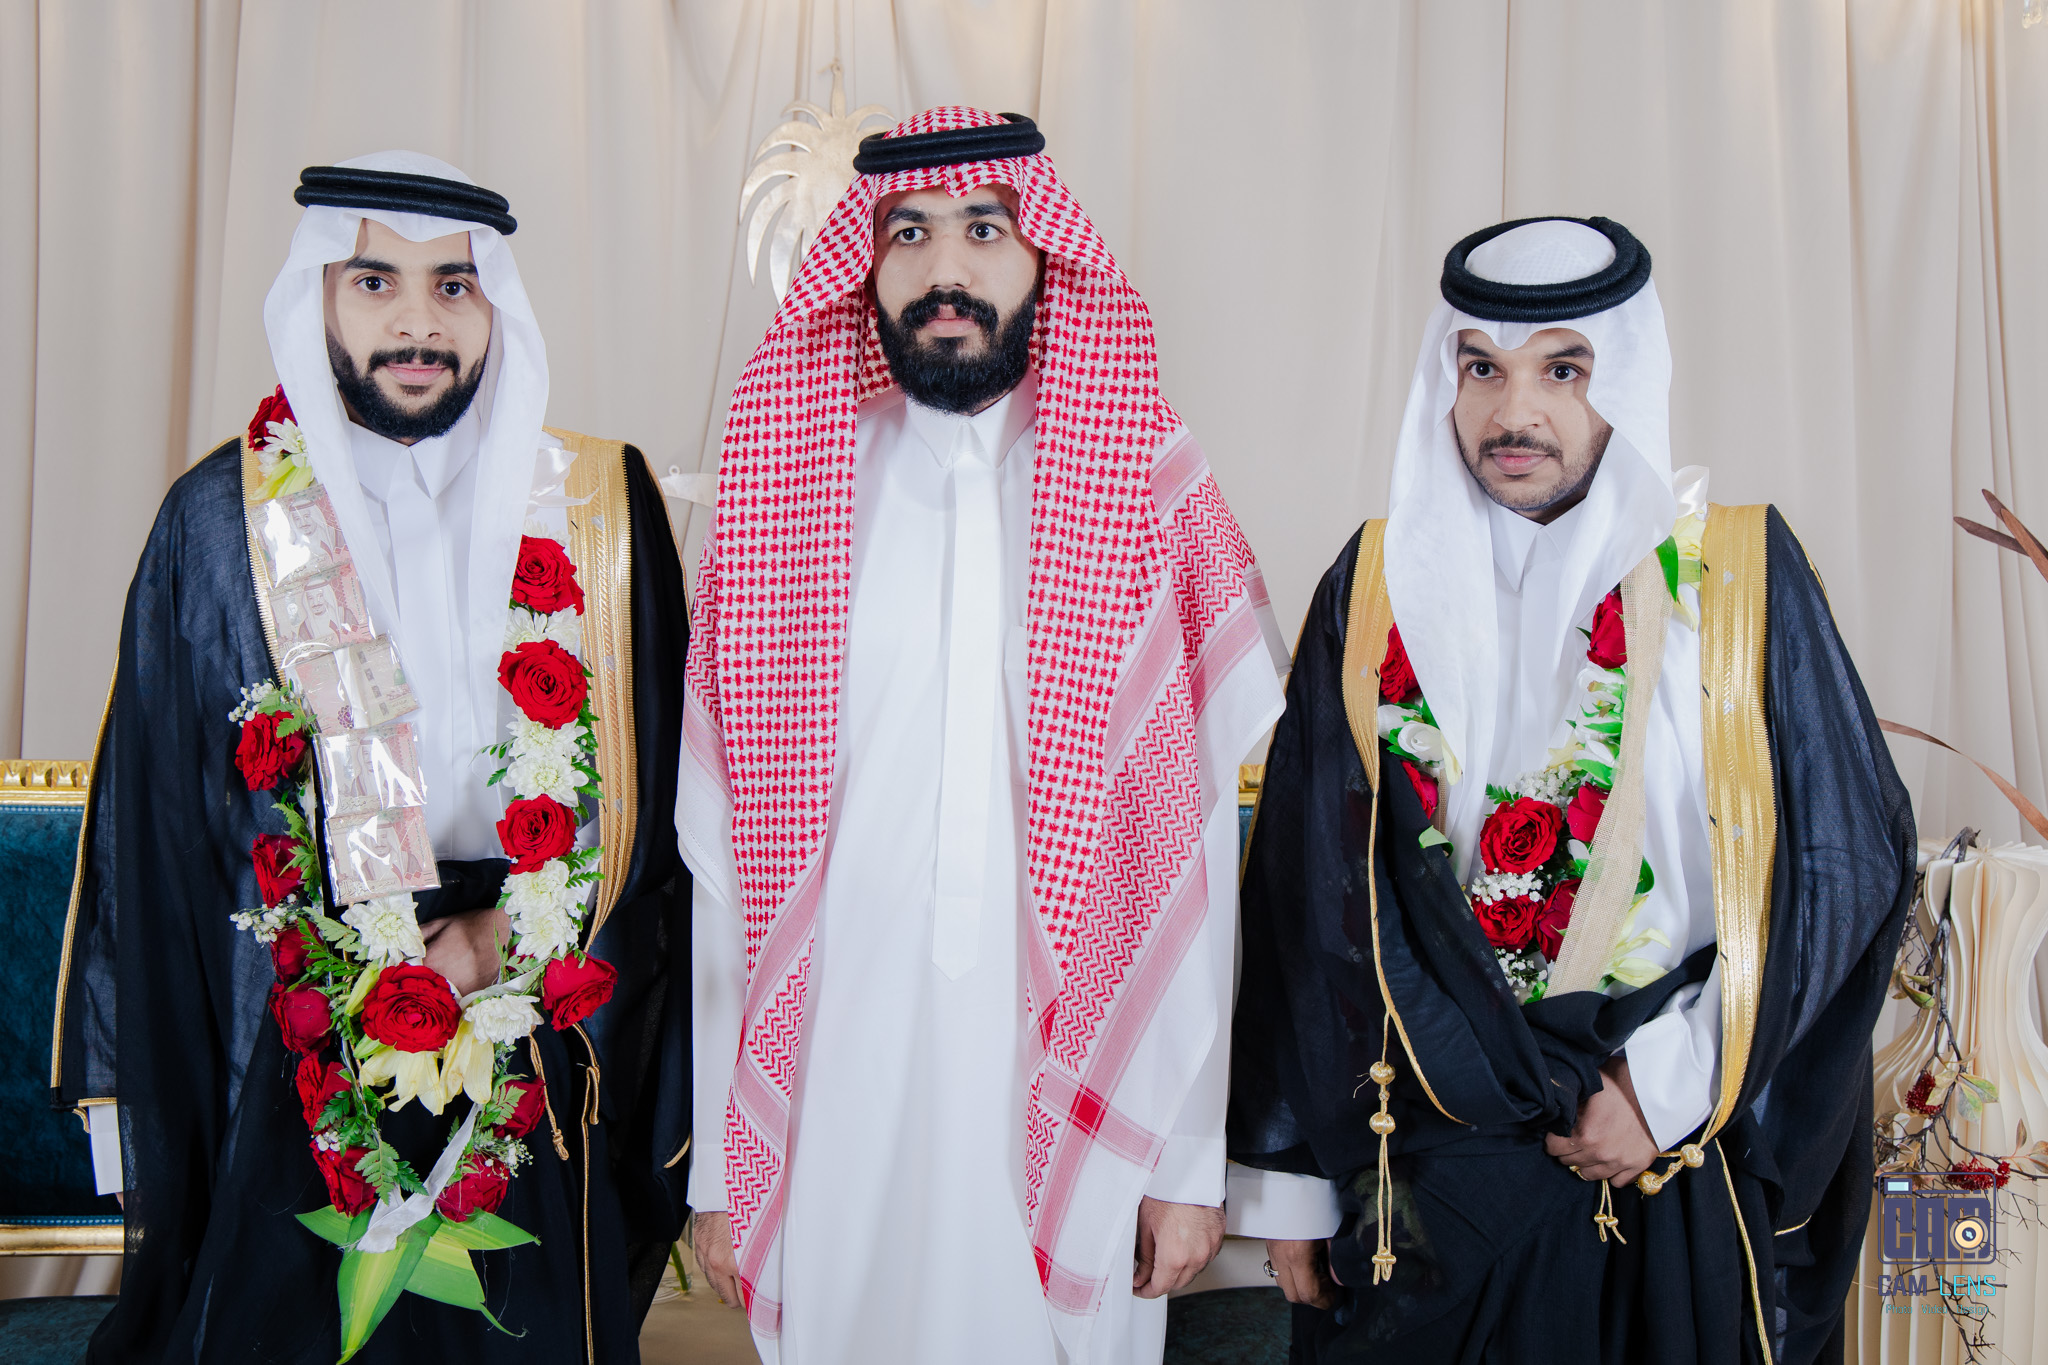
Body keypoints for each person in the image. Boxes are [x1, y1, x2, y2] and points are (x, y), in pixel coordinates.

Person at [1225, 217, 1915, 1363]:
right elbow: (1302, 888)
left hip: (1650, 1148)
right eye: (1480, 369)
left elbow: (1840, 865)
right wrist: (1288, 1184)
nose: (1514, 414)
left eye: (1561, 370)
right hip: (1425, 1166)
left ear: (1622, 379)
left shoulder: (1735, 579)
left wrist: (1666, 1086)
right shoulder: (1373, 585)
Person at [52, 151, 691, 1363]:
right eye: (374, 281)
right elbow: (154, 814)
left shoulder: (593, 508)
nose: (417, 323)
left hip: (529, 1012)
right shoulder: (221, 517)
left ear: (495, 303)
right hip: (294, 1017)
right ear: (319, 296)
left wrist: (500, 941)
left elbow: (659, 803)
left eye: (453, 285)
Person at [678, 107, 1287, 1364]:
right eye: (906, 233)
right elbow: (722, 862)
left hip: (1079, 1079)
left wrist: (1185, 1156)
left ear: (1042, 255)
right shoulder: (788, 482)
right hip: (836, 1080)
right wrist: (720, 1172)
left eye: (982, 229)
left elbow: (1193, 857)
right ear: (865, 264)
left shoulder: (1144, 484)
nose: (944, 268)